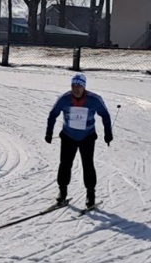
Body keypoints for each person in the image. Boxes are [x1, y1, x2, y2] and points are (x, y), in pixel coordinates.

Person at [45, 73, 113, 208]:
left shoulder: (94, 99)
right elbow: (53, 114)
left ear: (84, 87)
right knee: (64, 164)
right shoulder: (64, 99)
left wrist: (108, 133)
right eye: (73, 86)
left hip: (87, 137)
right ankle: (62, 192)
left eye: (79, 86)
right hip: (68, 136)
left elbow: (105, 115)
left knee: (88, 165)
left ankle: (90, 194)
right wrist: (49, 132)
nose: (76, 89)